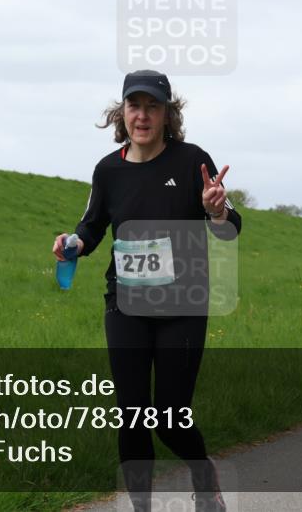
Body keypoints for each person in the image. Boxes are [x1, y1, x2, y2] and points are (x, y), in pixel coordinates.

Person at [52, 70, 241, 512]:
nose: (143, 115)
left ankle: (203, 474)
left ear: (166, 114)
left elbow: (231, 229)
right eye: (134, 106)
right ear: (122, 113)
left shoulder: (193, 161)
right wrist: (73, 243)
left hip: (183, 304)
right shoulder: (109, 170)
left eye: (152, 106)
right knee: (133, 413)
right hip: (126, 302)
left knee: (170, 417)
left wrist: (216, 211)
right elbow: (93, 227)